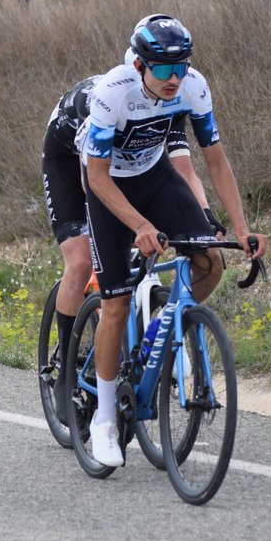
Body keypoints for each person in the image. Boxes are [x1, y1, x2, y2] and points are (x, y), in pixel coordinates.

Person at [76, 14, 267, 467]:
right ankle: (104, 418)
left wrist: (241, 228)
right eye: (163, 68)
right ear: (140, 65)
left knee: (210, 262)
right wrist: (140, 225)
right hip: (108, 186)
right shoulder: (114, 91)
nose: (174, 78)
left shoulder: (193, 87)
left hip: (154, 176)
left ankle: (160, 331)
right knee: (116, 304)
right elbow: (96, 176)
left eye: (181, 67)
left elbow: (216, 162)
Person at [42, 58, 224, 382]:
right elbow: (91, 184)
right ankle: (66, 363)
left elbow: (183, 169)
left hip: (120, 165)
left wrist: (205, 214)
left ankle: (148, 336)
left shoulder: (168, 103)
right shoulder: (112, 103)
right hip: (69, 156)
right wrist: (128, 225)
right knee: (81, 261)